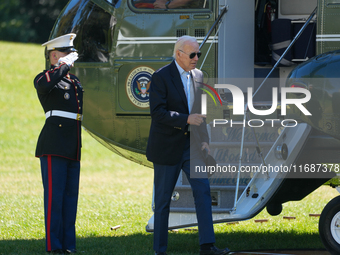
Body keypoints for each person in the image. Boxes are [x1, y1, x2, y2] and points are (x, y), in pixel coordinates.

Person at [146, 36, 231, 255]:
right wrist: (185, 119)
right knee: (163, 200)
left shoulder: (199, 76)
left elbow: (199, 112)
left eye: (198, 54)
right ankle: (160, 250)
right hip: (167, 147)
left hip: (192, 146)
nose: (196, 59)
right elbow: (157, 113)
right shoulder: (161, 77)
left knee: (203, 192)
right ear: (179, 54)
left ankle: (207, 246)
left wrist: (205, 140)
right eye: (192, 54)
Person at [34, 33, 83, 254]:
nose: (72, 58)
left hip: (72, 144)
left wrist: (64, 66)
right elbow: (45, 85)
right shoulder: (44, 78)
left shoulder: (74, 81)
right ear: (54, 56)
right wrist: (61, 66)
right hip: (54, 144)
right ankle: (54, 247)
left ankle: (68, 245)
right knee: (54, 198)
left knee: (70, 198)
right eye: (66, 53)